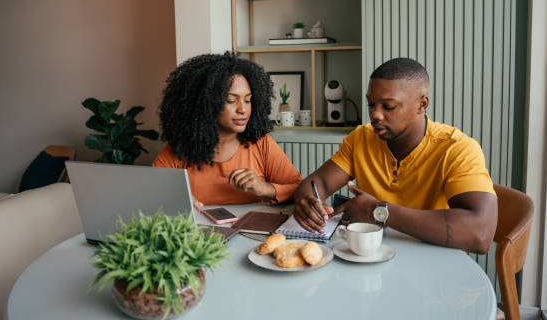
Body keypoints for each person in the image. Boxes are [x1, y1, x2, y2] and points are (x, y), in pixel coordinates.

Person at [294, 58, 497, 254]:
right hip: (371, 262)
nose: (375, 115)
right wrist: (308, 202)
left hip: (433, 269)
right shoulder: (361, 138)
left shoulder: (457, 148)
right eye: (371, 105)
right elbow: (317, 182)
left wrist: (378, 211)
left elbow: (480, 234)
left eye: (388, 106)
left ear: (422, 104)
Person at [153, 52, 302, 205]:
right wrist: (177, 200)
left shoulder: (262, 144)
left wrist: (265, 188)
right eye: (231, 101)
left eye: (248, 100)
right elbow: (151, 193)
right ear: (205, 104)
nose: (243, 109)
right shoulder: (178, 149)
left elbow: (299, 189)